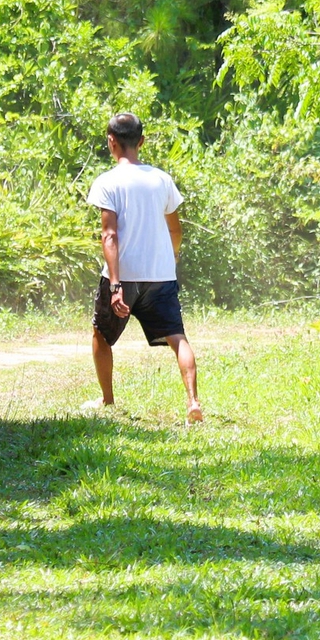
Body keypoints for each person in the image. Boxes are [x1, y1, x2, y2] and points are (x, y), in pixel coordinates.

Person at [84, 113, 202, 422]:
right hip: (161, 274)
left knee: (101, 335)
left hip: (124, 276)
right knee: (178, 337)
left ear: (111, 142)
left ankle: (108, 400)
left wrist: (115, 285)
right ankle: (193, 402)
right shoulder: (161, 179)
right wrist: (170, 258)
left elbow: (109, 234)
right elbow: (175, 230)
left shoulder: (107, 182)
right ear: (142, 141)